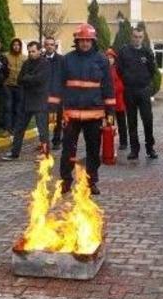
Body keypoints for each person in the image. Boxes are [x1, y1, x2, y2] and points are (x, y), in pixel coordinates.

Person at [48, 23, 115, 195]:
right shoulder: (67, 59)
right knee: (68, 151)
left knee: (93, 151)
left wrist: (111, 115)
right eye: (81, 40)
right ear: (76, 41)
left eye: (88, 40)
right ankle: (65, 181)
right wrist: (53, 111)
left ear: (93, 41)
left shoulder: (101, 60)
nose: (85, 43)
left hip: (94, 115)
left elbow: (108, 88)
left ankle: (91, 182)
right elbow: (57, 86)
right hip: (71, 115)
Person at [4, 41, 50, 160]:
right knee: (19, 128)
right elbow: (19, 80)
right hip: (26, 100)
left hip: (40, 101)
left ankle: (45, 153)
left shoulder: (45, 64)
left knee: (42, 130)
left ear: (40, 51)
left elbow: (40, 80)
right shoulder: (26, 63)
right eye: (29, 51)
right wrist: (30, 78)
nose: (31, 54)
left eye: (33, 51)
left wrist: (28, 78)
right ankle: (15, 152)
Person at [117, 27, 158, 160]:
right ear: (131, 36)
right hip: (129, 91)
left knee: (147, 120)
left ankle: (150, 148)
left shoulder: (147, 51)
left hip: (144, 90)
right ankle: (134, 150)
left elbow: (153, 70)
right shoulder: (124, 51)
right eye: (135, 36)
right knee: (132, 121)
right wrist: (128, 80)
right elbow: (119, 69)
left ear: (143, 37)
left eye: (140, 37)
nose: (137, 39)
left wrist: (145, 81)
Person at [42, 37, 65, 150]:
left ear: (55, 46)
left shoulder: (61, 60)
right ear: (44, 46)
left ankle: (57, 141)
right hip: (43, 95)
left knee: (58, 119)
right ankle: (44, 142)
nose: (50, 46)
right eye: (47, 44)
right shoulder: (40, 60)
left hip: (57, 95)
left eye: (52, 44)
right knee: (43, 120)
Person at [106, 48, 129, 151]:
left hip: (119, 101)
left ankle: (123, 142)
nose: (109, 59)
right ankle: (109, 140)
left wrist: (113, 90)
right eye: (108, 57)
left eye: (111, 57)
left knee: (121, 123)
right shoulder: (103, 69)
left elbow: (121, 84)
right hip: (108, 103)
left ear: (114, 59)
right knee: (109, 122)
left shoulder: (118, 69)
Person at [4, 38, 26, 135]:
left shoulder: (24, 58)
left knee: (18, 108)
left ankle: (16, 128)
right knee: (8, 107)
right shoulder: (6, 56)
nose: (16, 46)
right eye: (14, 45)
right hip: (8, 85)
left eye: (18, 45)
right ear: (11, 46)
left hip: (20, 86)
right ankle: (7, 129)